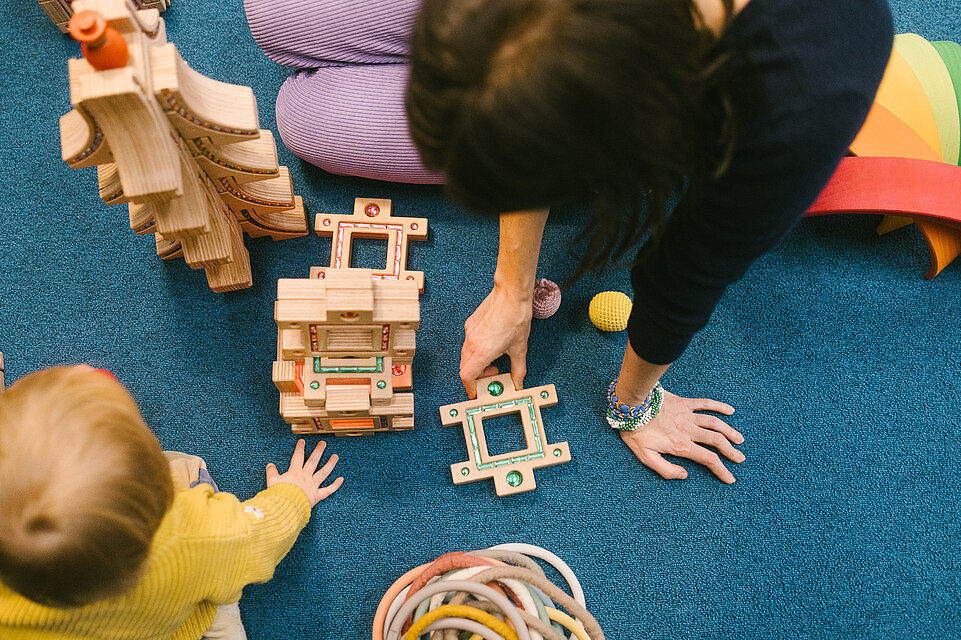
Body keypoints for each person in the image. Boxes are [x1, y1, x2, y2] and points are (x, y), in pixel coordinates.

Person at [245, 0, 894, 482]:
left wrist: (632, 405)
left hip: (660, 107)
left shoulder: (803, 97)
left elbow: (689, 272)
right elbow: (530, 87)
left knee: (300, 121)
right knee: (270, 16)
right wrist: (508, 286)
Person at [0, 366, 343, 640]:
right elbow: (259, 533)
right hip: (176, 622)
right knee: (187, 470)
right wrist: (294, 493)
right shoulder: (195, 537)